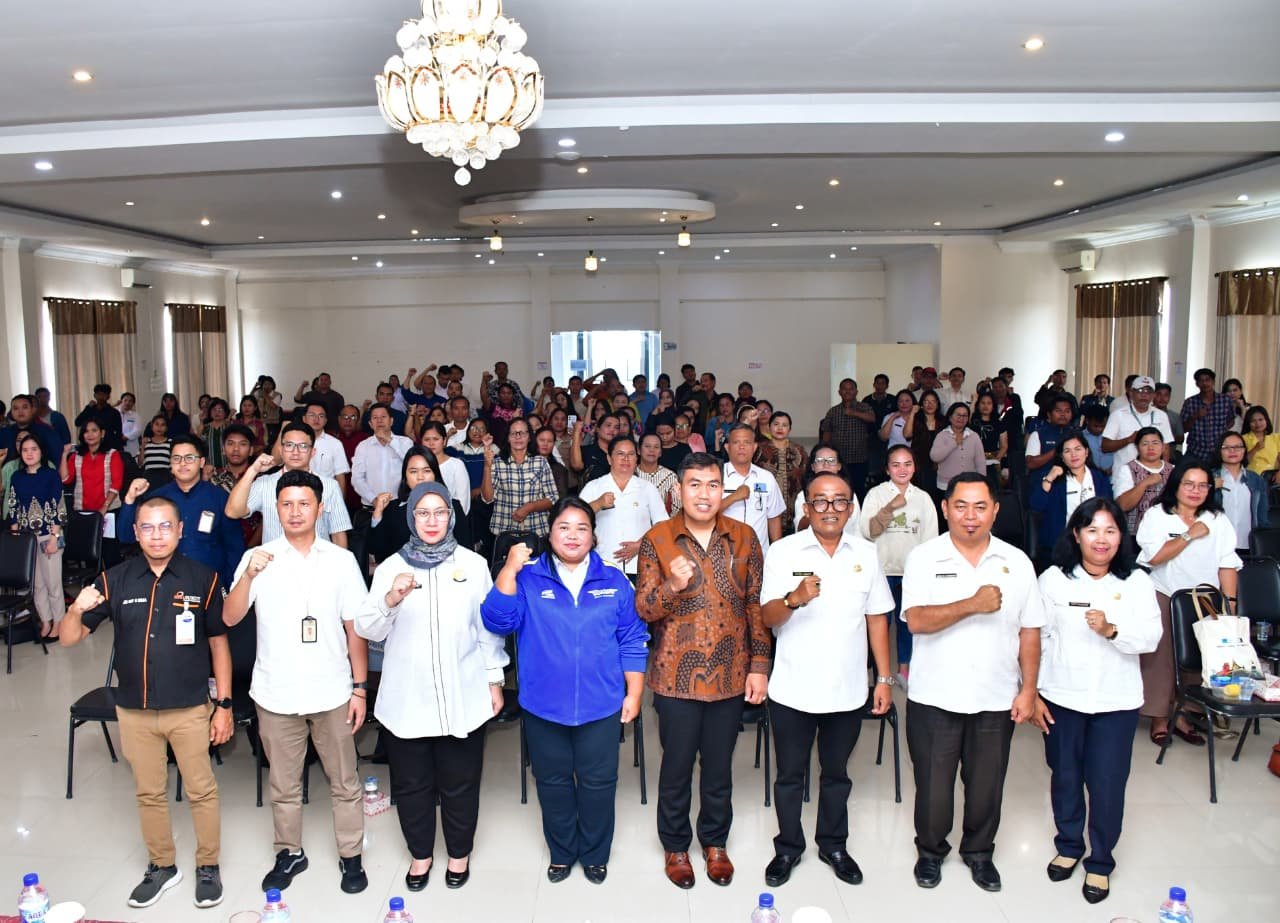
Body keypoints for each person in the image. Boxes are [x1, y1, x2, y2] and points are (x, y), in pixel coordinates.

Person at [59, 496, 232, 909]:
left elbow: (219, 645)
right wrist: (75, 609)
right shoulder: (114, 579)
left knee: (201, 790)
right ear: (135, 533)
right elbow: (69, 638)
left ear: (180, 530)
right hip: (134, 710)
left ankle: (208, 866)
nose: (157, 535)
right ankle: (162, 865)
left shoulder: (203, 579)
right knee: (149, 792)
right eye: (148, 527)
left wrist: (224, 705)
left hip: (189, 707)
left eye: (165, 526)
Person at [483, 497, 648, 884]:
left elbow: (632, 638)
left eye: (582, 528)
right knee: (553, 783)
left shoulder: (613, 579)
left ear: (594, 536)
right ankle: (561, 852)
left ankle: (594, 854)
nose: (572, 536)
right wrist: (509, 568)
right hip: (543, 705)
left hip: (601, 704)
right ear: (549, 532)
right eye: (564, 527)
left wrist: (634, 692)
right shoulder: (528, 578)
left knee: (598, 784)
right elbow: (497, 620)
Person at [223, 470, 371, 895]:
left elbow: (355, 630)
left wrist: (360, 688)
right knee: (283, 785)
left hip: (332, 691)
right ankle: (289, 852)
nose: (294, 512)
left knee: (345, 782)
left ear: (320, 509)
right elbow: (230, 617)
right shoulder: (259, 558)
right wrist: (248, 576)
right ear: (275, 509)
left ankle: (351, 855)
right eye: (286, 504)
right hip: (276, 692)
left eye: (304, 504)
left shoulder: (341, 561)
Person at [357, 482, 505, 891]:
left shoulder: (473, 565)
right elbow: (368, 629)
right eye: (423, 513)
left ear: (451, 516)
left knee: (461, 782)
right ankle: (420, 855)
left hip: (463, 690)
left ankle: (459, 854)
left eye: (440, 512)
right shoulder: (390, 567)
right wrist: (390, 599)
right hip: (407, 697)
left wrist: (494, 679)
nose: (432, 521)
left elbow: (487, 630)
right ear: (410, 518)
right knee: (411, 784)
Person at [901, 473, 1044, 892]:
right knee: (933, 787)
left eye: (980, 507)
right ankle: (930, 853)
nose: (970, 516)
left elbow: (1030, 631)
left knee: (986, 786)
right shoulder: (924, 558)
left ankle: (979, 852)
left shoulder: (1017, 561)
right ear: (945, 509)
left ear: (995, 511)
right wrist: (972, 604)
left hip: (995, 696)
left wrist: (1029, 689)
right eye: (961, 506)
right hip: (935, 695)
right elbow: (916, 620)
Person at [635, 453, 769, 889]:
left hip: (731, 675)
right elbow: (644, 609)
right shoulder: (658, 539)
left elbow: (755, 605)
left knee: (719, 766)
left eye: (713, 485)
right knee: (675, 767)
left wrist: (759, 665)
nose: (704, 494)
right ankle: (675, 846)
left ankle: (715, 842)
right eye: (695, 484)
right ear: (679, 490)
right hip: (675, 676)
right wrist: (672, 585)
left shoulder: (744, 537)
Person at [760, 472, 894, 888]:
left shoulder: (866, 553)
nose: (830, 509)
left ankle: (833, 845)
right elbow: (767, 617)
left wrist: (884, 678)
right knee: (789, 776)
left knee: (836, 774)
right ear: (806, 508)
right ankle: (788, 848)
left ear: (850, 509)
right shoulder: (783, 551)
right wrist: (793, 599)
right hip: (793, 688)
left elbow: (877, 619)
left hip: (847, 689)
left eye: (839, 501)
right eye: (820, 501)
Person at [1033, 498, 1162, 905]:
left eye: (1110, 530)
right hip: (1061, 696)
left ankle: (1101, 861)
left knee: (1107, 784)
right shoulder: (1053, 579)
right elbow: (1037, 638)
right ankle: (1069, 845)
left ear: (1121, 537)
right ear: (1076, 534)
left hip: (1116, 701)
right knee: (1065, 776)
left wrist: (1112, 631)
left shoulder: (1137, 582)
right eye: (1092, 530)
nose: (1101, 539)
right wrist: (1033, 691)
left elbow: (1151, 639)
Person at [1135, 462, 1241, 747]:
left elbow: (1227, 564)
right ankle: (1159, 717)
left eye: (1203, 485)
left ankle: (1183, 715)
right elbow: (1154, 557)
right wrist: (1189, 534)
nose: (1196, 491)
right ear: (1176, 485)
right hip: (1165, 594)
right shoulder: (1158, 515)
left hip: (1205, 599)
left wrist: (1229, 606)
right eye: (1189, 484)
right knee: (1160, 659)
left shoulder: (1217, 519)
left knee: (1197, 659)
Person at [117, 435, 246, 587]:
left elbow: (234, 547)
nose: (182, 463)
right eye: (176, 458)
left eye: (189, 458)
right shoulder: (157, 498)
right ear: (170, 463)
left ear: (201, 462)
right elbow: (126, 536)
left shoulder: (220, 498)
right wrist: (130, 499)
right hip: (165, 584)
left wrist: (231, 587)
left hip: (209, 584)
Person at [859, 445, 939, 687]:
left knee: (907, 624)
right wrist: (890, 507)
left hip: (911, 574)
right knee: (879, 624)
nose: (902, 469)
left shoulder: (923, 498)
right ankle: (878, 674)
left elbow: (931, 541)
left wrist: (924, 573)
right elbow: (869, 531)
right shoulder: (876, 494)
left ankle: (905, 670)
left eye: (907, 464)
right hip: (882, 572)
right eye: (896, 465)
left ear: (914, 467)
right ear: (887, 469)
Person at [225, 421, 351, 547]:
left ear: (313, 452)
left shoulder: (330, 486)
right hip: (274, 558)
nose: (295, 452)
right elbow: (232, 512)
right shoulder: (264, 483)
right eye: (289, 445)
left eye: (303, 446)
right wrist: (253, 470)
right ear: (281, 450)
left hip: (317, 558)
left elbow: (338, 534)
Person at [2, 432, 68, 638]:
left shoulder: (51, 475)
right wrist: (16, 535)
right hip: (27, 539)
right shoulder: (17, 477)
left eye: (34, 449)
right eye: (25, 450)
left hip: (49, 535)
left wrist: (54, 537)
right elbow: (13, 505)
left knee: (53, 583)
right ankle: (46, 621)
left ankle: (59, 622)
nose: (29, 454)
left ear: (41, 452)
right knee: (36, 585)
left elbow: (59, 507)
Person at [578, 436, 669, 576]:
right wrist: (598, 504)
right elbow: (576, 519)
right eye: (620, 454)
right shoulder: (594, 487)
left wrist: (640, 545)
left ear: (636, 458)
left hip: (640, 565)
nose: (626, 459)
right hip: (603, 564)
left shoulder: (647, 488)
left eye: (631, 454)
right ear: (609, 459)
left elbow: (662, 524)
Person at [1030, 431, 1114, 568]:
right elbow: (1036, 506)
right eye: (1067, 451)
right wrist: (1049, 479)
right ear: (1062, 457)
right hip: (1062, 544)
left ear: (1086, 452)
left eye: (1078, 449)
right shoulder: (1054, 479)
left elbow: (1110, 509)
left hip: (1096, 541)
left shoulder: (1100, 478)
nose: (1073, 454)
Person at [481, 418, 558, 541]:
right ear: (508, 438)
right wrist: (487, 466)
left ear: (529, 437)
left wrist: (530, 507)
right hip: (504, 531)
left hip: (536, 530)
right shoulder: (498, 463)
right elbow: (487, 498)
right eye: (513, 433)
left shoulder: (540, 462)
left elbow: (553, 498)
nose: (518, 437)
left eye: (522, 433)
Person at [721, 424, 785, 552]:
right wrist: (734, 497)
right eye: (736, 442)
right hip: (724, 553)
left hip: (759, 554)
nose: (742, 447)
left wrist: (777, 552)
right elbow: (706, 513)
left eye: (747, 442)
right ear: (727, 447)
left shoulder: (766, 477)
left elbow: (773, 518)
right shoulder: (716, 475)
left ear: (754, 447)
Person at [1213, 431, 1271, 556]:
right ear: (1219, 451)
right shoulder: (1209, 477)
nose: (1232, 451)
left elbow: (1262, 516)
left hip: (1248, 545)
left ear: (1244, 450)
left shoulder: (1256, 480)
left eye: (1238, 447)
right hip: (1216, 545)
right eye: (1226, 447)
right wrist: (1210, 487)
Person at [1111, 426, 1174, 535]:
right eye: (1145, 444)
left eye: (1155, 443)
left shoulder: (1173, 470)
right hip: (1135, 533)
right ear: (1137, 447)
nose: (1151, 448)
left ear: (1163, 447)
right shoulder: (1127, 469)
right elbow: (1123, 505)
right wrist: (1144, 483)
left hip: (1166, 532)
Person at [1101, 376, 1172, 470]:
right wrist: (1128, 440)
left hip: (1153, 473)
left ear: (1153, 395)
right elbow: (1105, 446)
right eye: (1140, 390)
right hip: (1125, 473)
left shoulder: (1161, 415)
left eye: (1148, 391)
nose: (1144, 395)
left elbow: (1165, 447)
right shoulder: (1118, 415)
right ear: (1131, 393)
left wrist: (1164, 472)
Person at [821, 379, 877, 497]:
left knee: (859, 491)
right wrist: (824, 452)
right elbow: (827, 432)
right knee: (838, 490)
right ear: (839, 392)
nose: (847, 392)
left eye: (851, 389)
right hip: (838, 460)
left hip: (859, 459)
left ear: (856, 392)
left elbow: (872, 418)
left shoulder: (864, 407)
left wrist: (854, 413)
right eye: (844, 389)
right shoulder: (833, 411)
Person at [756, 411, 807, 534]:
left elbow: (806, 478)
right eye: (776, 424)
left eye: (784, 425)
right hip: (763, 508)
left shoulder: (799, 450)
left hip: (793, 508)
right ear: (769, 427)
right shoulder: (758, 449)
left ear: (790, 429)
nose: (780, 428)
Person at [1180, 368, 1236, 462]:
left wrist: (1223, 430)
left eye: (1207, 380)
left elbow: (1231, 420)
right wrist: (1195, 416)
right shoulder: (1190, 402)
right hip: (1196, 451)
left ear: (1213, 382)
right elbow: (1183, 429)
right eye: (1201, 380)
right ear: (1197, 384)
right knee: (1182, 470)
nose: (1205, 383)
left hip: (1219, 451)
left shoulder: (1225, 400)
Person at [929, 403, 986, 493]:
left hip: (969, 484)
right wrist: (954, 443)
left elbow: (980, 462)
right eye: (958, 415)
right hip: (946, 485)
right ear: (950, 417)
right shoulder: (942, 435)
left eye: (964, 416)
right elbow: (934, 457)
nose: (961, 418)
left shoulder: (973, 436)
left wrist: (982, 483)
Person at [1026, 395, 1077, 482]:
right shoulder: (1038, 434)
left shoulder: (1077, 434)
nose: (1063, 414)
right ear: (1049, 414)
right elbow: (1030, 463)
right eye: (1058, 411)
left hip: (1071, 481)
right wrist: (1057, 450)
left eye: (1067, 411)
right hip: (1044, 481)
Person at [904, 389, 943, 493]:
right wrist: (912, 413)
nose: (930, 404)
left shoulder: (943, 421)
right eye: (926, 401)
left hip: (939, 464)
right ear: (921, 404)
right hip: (920, 464)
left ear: (937, 404)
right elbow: (907, 434)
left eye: (933, 401)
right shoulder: (916, 419)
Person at [635, 432, 680, 514]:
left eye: (656, 447)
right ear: (638, 450)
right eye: (647, 446)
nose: (652, 450)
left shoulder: (670, 476)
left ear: (660, 452)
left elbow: (677, 509)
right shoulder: (630, 474)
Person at [75, 383, 125, 452]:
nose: (101, 397)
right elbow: (77, 422)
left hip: (108, 446)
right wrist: (88, 408)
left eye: (104, 394)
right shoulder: (90, 410)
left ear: (108, 396)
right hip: (89, 446)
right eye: (99, 394)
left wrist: (118, 448)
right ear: (94, 396)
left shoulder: (114, 412)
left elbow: (118, 432)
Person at [1242, 406, 1280, 482]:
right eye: (1253, 421)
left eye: (1260, 419)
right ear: (1248, 423)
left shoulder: (1276, 437)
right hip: (1253, 478)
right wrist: (1255, 449)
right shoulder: (1243, 439)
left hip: (1274, 477)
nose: (1258, 424)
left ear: (1266, 420)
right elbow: (1243, 462)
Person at [117, 391, 142, 457]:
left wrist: (126, 437)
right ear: (121, 401)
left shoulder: (135, 416)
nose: (127, 403)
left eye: (130, 401)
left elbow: (138, 430)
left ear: (133, 404)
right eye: (125, 400)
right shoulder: (115, 413)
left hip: (131, 448)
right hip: (116, 446)